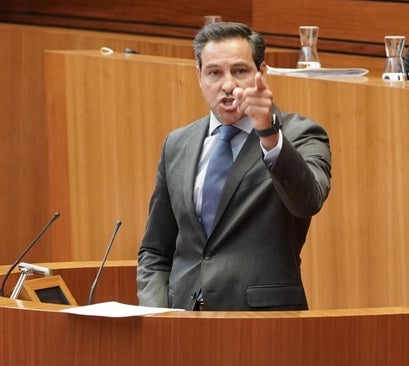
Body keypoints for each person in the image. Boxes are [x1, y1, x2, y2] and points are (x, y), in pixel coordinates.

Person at [136, 21, 332, 311]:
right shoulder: (177, 144)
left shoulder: (298, 134)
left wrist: (268, 133)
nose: (228, 85)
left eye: (240, 71)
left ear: (262, 74)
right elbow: (155, 250)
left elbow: (307, 201)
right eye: (214, 72)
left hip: (262, 325)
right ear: (199, 76)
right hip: (182, 325)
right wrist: (156, 315)